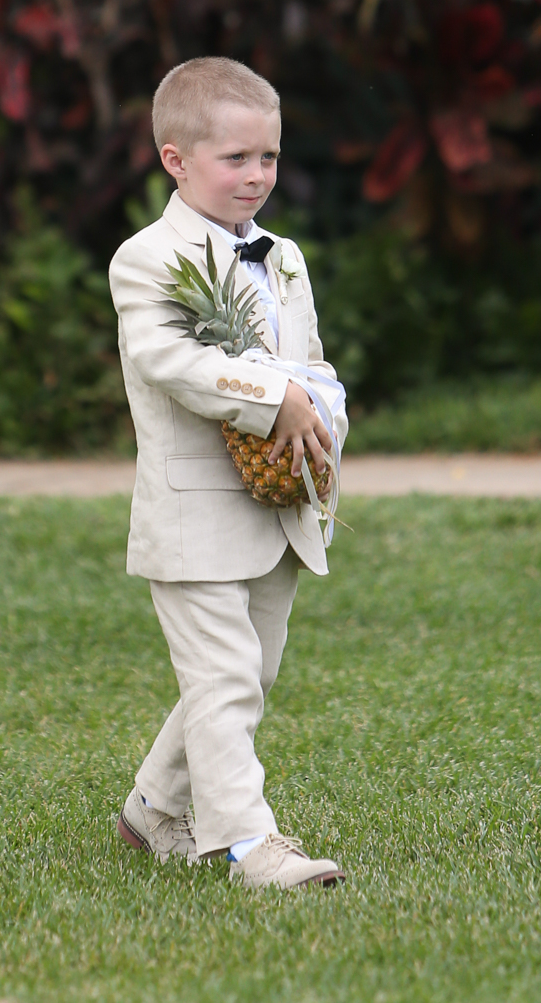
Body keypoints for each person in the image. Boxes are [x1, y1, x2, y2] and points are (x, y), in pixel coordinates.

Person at [108, 56, 349, 890]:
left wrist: (320, 418)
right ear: (176, 159)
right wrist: (270, 394)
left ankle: (152, 809)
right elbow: (168, 358)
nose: (257, 176)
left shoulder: (283, 258)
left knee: (253, 673)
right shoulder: (146, 259)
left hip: (276, 496)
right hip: (194, 508)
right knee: (222, 680)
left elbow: (308, 360)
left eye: (270, 159)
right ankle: (251, 846)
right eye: (236, 159)